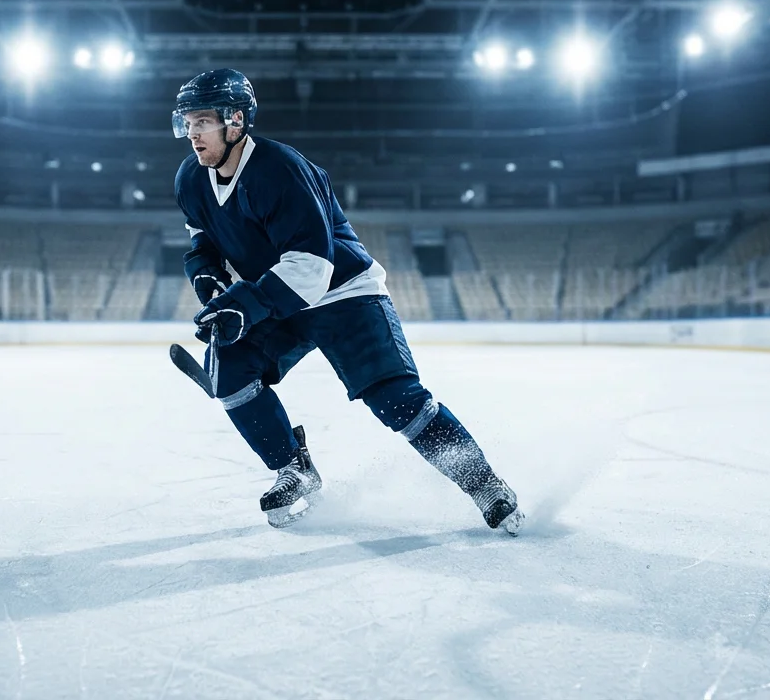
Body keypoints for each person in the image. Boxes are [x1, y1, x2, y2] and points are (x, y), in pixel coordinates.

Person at [172, 68, 523, 534]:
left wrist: (248, 304)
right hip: (281, 298)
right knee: (232, 368)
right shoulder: (191, 179)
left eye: (202, 122)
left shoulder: (281, 170)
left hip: (344, 294)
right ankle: (293, 468)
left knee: (396, 399)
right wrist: (213, 288)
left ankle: (485, 485)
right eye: (187, 123)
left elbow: (311, 267)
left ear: (235, 121)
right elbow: (203, 244)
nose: (193, 134)